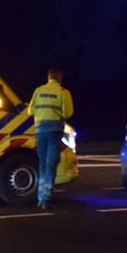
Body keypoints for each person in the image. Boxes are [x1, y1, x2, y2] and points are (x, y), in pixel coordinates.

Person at [28, 67, 74, 211]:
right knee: (51, 165)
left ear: (48, 77)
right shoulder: (63, 92)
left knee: (42, 164)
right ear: (60, 78)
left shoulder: (38, 90)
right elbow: (68, 112)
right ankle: (45, 198)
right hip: (54, 131)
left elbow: (30, 111)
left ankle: (40, 198)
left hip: (40, 131)